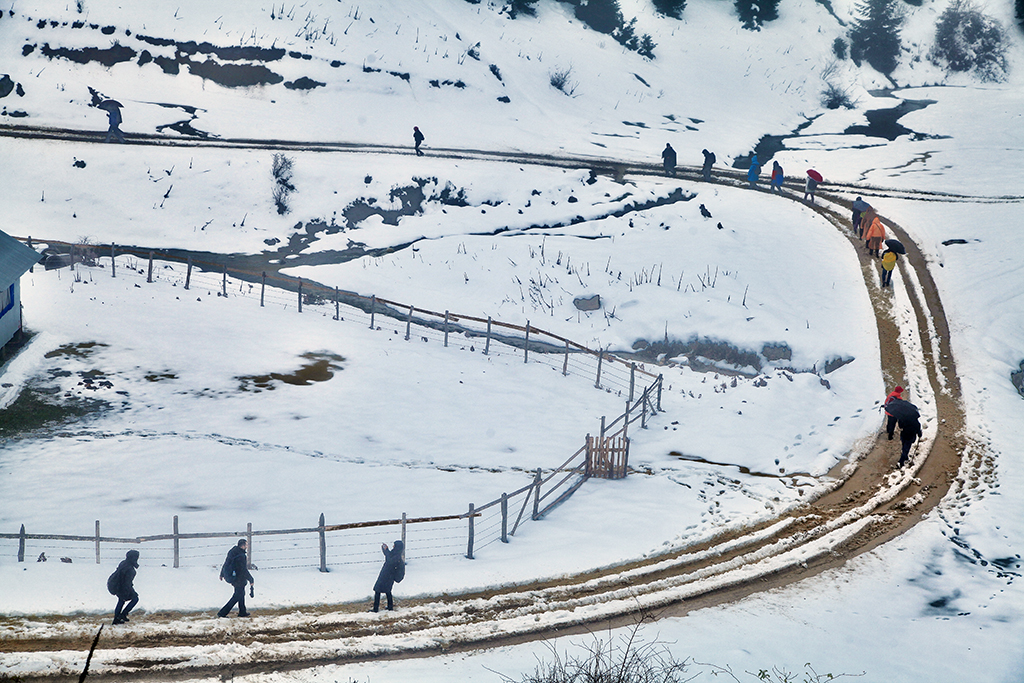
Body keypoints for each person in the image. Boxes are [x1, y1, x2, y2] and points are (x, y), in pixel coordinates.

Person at [218, 539, 255, 618]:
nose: (247, 546)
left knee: (241, 593)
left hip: (233, 576)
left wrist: (222, 573)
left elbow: (226, 563)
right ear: (242, 546)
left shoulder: (232, 552)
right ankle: (222, 613)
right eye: (246, 545)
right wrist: (251, 579)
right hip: (238, 578)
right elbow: (243, 570)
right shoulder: (241, 556)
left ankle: (242, 611)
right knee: (237, 596)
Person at [371, 540, 405, 612]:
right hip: (387, 575)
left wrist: (386, 550)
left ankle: (376, 608)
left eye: (394, 545)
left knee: (378, 590)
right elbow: (388, 556)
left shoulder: (397, 556)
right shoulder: (395, 553)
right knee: (387, 591)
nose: (393, 546)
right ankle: (390, 607)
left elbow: (389, 559)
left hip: (387, 575)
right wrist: (385, 550)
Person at [109, 549, 140, 625]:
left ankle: (117, 618)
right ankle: (122, 615)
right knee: (135, 599)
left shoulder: (124, 563)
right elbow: (126, 582)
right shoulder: (130, 569)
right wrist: (127, 591)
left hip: (116, 585)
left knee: (121, 601)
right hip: (122, 587)